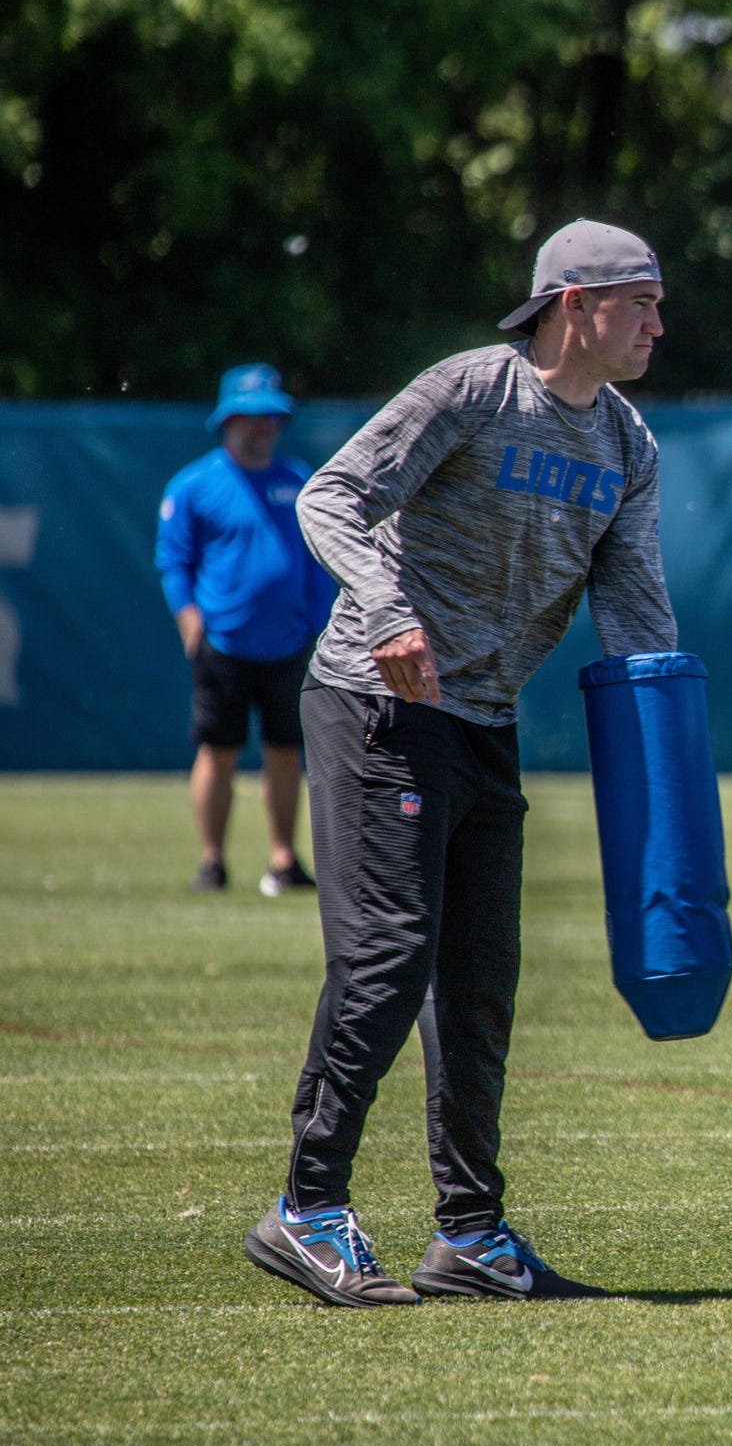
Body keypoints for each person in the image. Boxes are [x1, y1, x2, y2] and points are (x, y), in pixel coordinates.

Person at [242, 220, 677, 1308]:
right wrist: (385, 608)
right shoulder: (473, 391)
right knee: (389, 955)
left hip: (484, 719)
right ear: (573, 304)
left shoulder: (627, 444)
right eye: (641, 302)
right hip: (375, 700)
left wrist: (669, 761)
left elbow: (634, 610)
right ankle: (306, 1207)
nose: (657, 325)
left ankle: (471, 1234)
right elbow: (331, 496)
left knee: (480, 981)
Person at [155, 365, 336, 895]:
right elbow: (174, 560)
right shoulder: (194, 485)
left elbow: (321, 559)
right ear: (227, 420)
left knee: (285, 751)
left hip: (290, 644)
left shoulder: (299, 482)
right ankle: (212, 862)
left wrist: (317, 624)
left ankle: (284, 860)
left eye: (271, 418)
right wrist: (190, 621)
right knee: (218, 751)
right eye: (252, 417)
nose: (263, 428)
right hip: (223, 644)